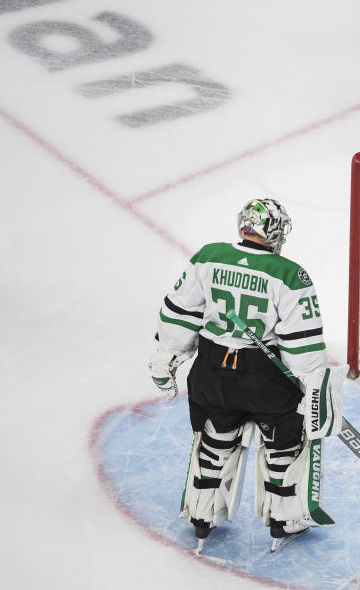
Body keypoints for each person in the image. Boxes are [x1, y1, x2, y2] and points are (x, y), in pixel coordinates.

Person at [148, 198, 345, 551]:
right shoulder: (289, 274)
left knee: (215, 439)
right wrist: (314, 384)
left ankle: (201, 517)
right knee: (284, 444)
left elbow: (179, 312)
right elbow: (302, 346)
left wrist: (166, 356)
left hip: (210, 371)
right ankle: (285, 522)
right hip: (263, 377)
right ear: (271, 230)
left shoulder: (208, 257)